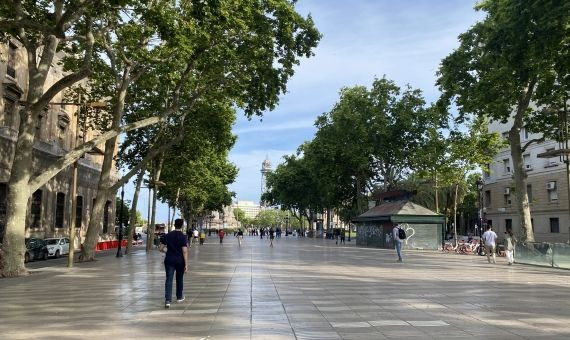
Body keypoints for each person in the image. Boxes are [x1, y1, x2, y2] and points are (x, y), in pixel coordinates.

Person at [159, 218, 188, 309]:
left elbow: (160, 248)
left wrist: (166, 251)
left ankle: (168, 300)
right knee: (179, 279)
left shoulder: (167, 236)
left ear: (174, 225)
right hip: (180, 261)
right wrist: (186, 264)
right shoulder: (183, 237)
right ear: (182, 225)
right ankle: (179, 297)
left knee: (169, 279)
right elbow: (184, 251)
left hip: (169, 260)